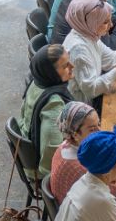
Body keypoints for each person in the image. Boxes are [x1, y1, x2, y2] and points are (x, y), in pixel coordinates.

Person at [17, 44, 74, 179]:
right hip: (44, 172)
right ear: (51, 73)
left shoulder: (37, 81)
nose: (72, 67)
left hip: (30, 150)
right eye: (65, 66)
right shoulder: (54, 104)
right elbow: (51, 151)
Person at [50, 102, 101, 203]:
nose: (99, 131)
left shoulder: (64, 145)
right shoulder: (80, 169)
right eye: (92, 129)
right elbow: (108, 196)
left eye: (98, 124)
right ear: (75, 134)